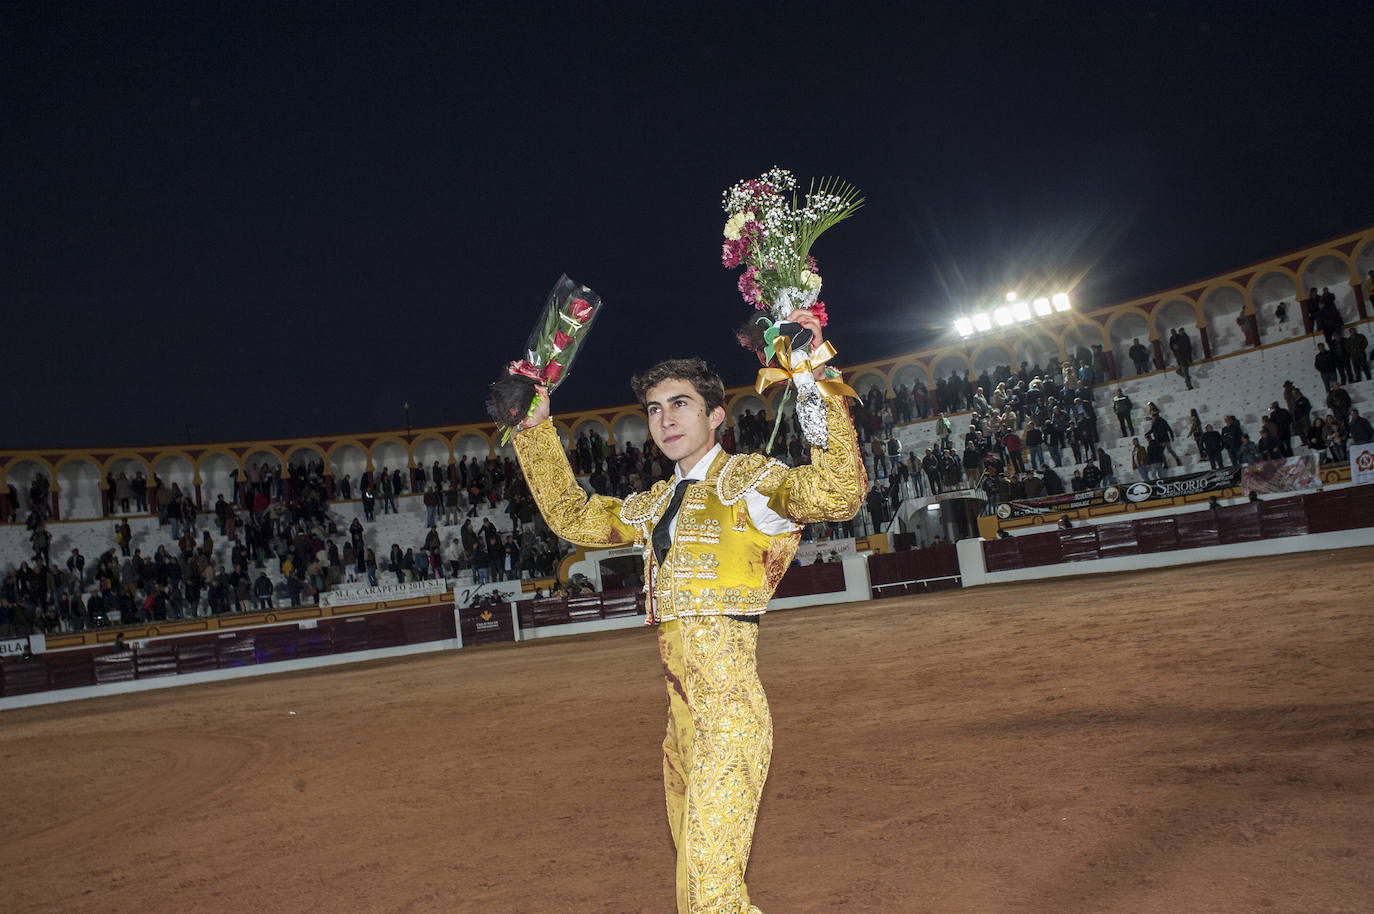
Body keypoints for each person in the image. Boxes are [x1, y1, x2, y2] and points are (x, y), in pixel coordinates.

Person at [510, 308, 862, 914]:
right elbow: (572, 516)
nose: (665, 420)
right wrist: (534, 430)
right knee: (696, 890)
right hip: (682, 728)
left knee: (709, 893)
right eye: (654, 409)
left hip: (730, 719)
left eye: (680, 405)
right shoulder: (654, 503)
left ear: (716, 416)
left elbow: (840, 492)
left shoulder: (752, 483)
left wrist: (811, 370)